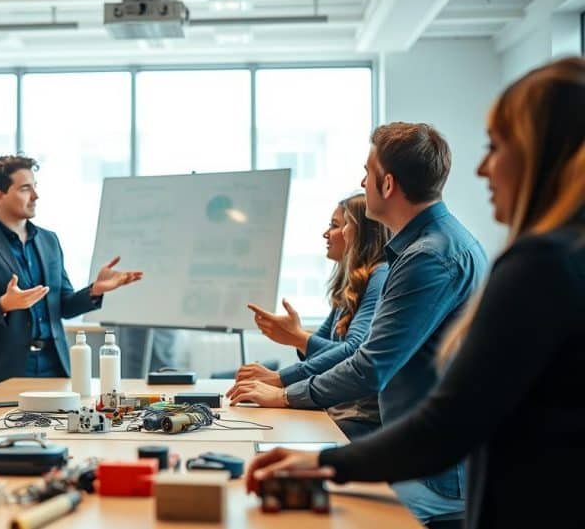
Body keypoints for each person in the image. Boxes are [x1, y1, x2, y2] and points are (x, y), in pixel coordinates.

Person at [245, 57, 585, 529]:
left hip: (442, 484)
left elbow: (390, 378)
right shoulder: (448, 249)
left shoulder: (457, 258)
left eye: (496, 146)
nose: (483, 169)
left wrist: (321, 452)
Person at [230, 122, 488, 524]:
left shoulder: (429, 258)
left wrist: (283, 395)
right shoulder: (429, 247)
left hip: (433, 476)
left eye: (367, 172)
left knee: (305, 510)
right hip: (418, 454)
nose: (361, 181)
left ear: (387, 184)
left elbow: (369, 366)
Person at [0, 155, 143, 389]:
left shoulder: (49, 240)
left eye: (35, 186)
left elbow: (63, 306)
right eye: (25, 188)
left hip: (54, 364)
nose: (35, 196)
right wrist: (3, 304)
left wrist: (95, 290)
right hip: (1, 370)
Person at [229, 194, 389, 438]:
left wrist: (282, 375)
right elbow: (330, 346)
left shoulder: (380, 276)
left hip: (357, 418)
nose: (328, 234)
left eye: (337, 226)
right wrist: (297, 339)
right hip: (339, 409)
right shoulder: (350, 284)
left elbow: (353, 349)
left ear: (362, 232)